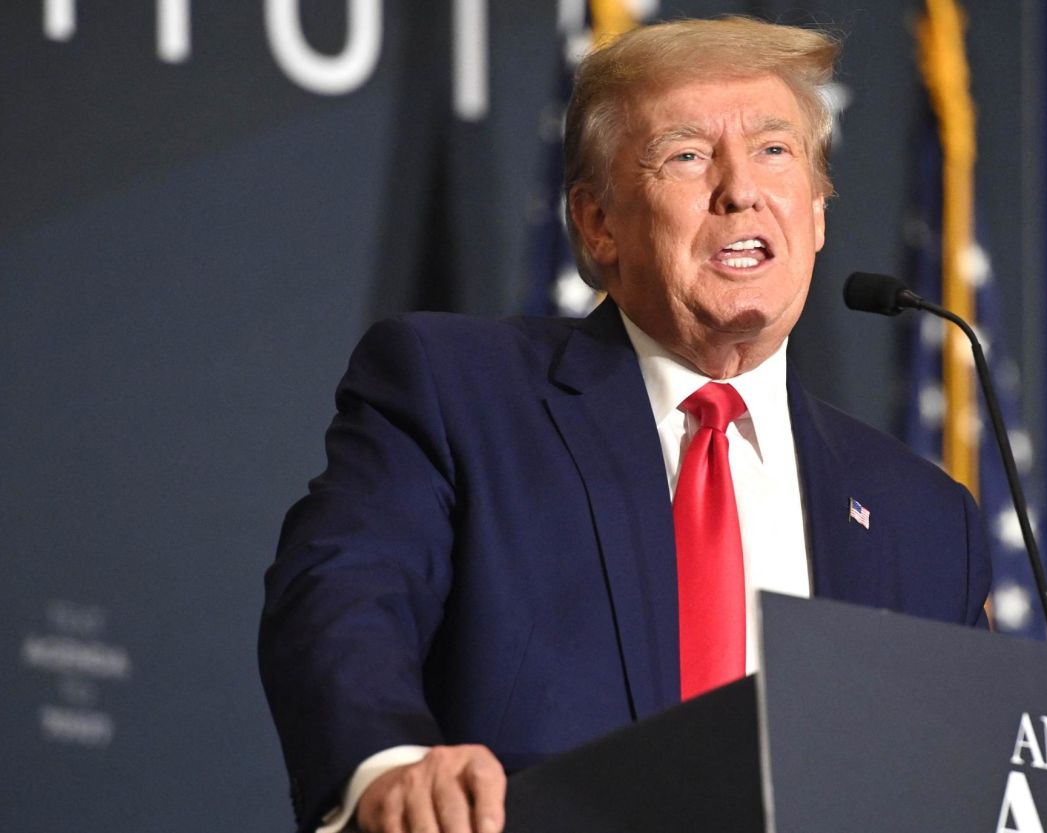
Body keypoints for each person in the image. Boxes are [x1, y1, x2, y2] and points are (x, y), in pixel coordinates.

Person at [259, 16, 992, 833]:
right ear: (598, 222)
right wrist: (387, 766)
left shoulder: (925, 519)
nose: (740, 188)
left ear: (818, 214)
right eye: (687, 154)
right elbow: (343, 590)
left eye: (775, 150)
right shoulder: (459, 392)